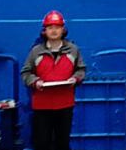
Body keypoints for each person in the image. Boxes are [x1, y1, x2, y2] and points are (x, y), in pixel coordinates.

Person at [21, 10, 86, 150]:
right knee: (42, 143)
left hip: (65, 104)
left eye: (57, 27)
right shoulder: (36, 51)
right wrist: (35, 81)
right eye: (50, 27)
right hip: (42, 105)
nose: (54, 31)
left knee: (62, 143)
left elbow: (81, 70)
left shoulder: (73, 50)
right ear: (44, 31)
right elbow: (26, 73)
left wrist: (75, 78)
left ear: (63, 30)